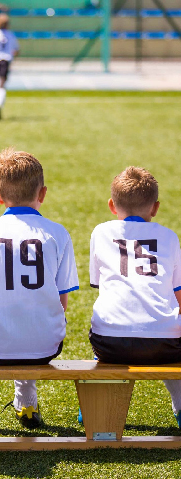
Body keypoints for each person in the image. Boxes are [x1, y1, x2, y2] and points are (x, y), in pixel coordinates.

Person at [0, 148, 79, 431]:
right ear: (43, 193)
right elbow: (62, 302)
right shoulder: (58, 232)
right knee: (31, 313)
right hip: (46, 346)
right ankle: (26, 403)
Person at [89, 166, 181, 427]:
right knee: (171, 336)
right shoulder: (169, 236)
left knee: (106, 317)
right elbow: (178, 295)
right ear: (155, 207)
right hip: (165, 345)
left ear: (111, 205)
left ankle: (95, 407)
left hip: (110, 343)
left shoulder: (101, 232)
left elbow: (98, 284)